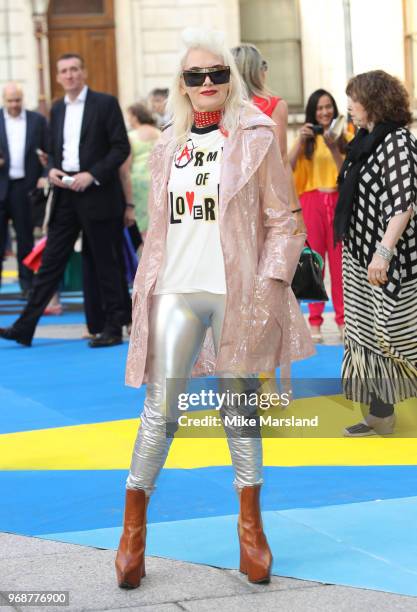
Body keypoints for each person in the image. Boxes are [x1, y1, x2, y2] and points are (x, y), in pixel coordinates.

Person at [115, 28, 314, 590]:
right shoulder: (168, 145)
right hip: (176, 290)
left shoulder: (255, 137)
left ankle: (251, 531)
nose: (207, 83)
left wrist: (270, 281)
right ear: (182, 85)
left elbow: (285, 219)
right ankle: (132, 535)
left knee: (239, 410)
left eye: (217, 74)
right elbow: (160, 230)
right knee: (161, 409)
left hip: (237, 292)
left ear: (230, 79)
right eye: (195, 76)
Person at [0, 53, 130, 348]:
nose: (69, 75)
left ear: (83, 73)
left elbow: (120, 147)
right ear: (58, 77)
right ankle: (25, 326)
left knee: (105, 262)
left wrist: (92, 175)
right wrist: (51, 170)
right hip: (66, 194)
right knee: (50, 262)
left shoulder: (105, 104)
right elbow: (51, 152)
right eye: (64, 71)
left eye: (74, 69)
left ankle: (113, 326)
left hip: (97, 193)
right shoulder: (57, 109)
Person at [333, 70, 417, 436]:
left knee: (398, 334)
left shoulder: (397, 142)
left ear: (374, 101)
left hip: (391, 259)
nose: (350, 106)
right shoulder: (365, 140)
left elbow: (404, 202)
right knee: (366, 335)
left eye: (355, 99)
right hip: (360, 255)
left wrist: (383, 253)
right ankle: (380, 414)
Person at [289, 89, 350, 342]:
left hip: (337, 201)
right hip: (311, 202)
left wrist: (335, 146)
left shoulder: (345, 134)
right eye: (319, 108)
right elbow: (287, 168)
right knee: (314, 263)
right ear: (312, 113)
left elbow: (345, 171)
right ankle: (314, 322)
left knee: (340, 266)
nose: (325, 112)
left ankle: (343, 321)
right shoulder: (306, 139)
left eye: (328, 107)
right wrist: (301, 141)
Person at [231, 44, 305, 235]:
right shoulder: (274, 105)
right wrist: (295, 209)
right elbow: (281, 160)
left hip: (231, 195)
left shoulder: (225, 109)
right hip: (267, 198)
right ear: (258, 71)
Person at [0, 83, 48, 298]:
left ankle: (26, 284)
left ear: (23, 99)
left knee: (25, 237)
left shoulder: (37, 121)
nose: (14, 105)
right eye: (10, 101)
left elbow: (50, 151)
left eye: (17, 100)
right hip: (1, 185)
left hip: (25, 188)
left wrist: (45, 175)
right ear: (4, 100)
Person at [126, 102, 160, 238]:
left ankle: (145, 242)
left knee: (141, 216)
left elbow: (128, 162)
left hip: (138, 180)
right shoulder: (159, 132)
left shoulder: (131, 136)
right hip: (156, 177)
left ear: (135, 117)